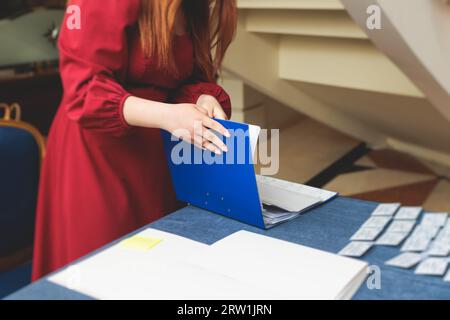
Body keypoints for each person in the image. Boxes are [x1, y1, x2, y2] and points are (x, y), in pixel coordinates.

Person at [32, 0, 237, 280]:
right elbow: (84, 90)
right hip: (96, 159)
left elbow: (179, 77)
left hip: (152, 163)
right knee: (103, 275)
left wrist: (201, 96)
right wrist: (167, 115)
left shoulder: (195, 6)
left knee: (154, 274)